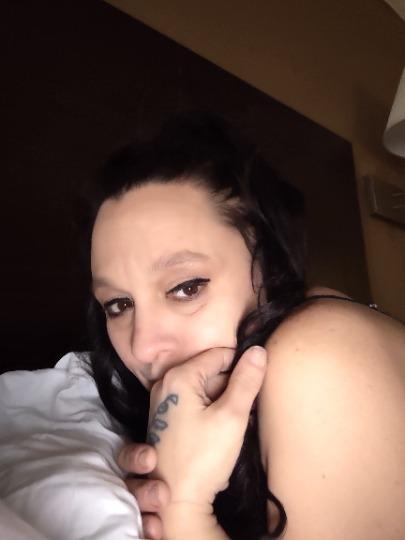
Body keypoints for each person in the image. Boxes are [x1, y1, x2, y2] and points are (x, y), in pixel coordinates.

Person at [84, 112, 405, 540]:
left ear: (269, 267)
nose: (142, 347)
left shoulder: (319, 355)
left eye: (186, 287)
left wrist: (181, 505)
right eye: (119, 304)